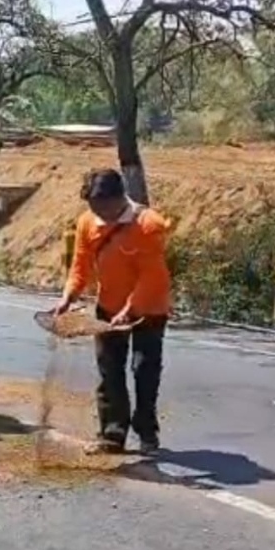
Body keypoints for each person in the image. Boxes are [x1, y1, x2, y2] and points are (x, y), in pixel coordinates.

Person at [52, 168, 172, 455]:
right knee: (109, 371)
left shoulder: (148, 225)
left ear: (119, 198)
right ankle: (112, 434)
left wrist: (130, 309)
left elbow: (152, 276)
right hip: (108, 307)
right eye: (93, 209)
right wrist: (68, 296)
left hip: (150, 309)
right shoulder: (86, 223)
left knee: (144, 370)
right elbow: (80, 266)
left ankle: (147, 433)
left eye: (102, 209)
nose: (99, 215)